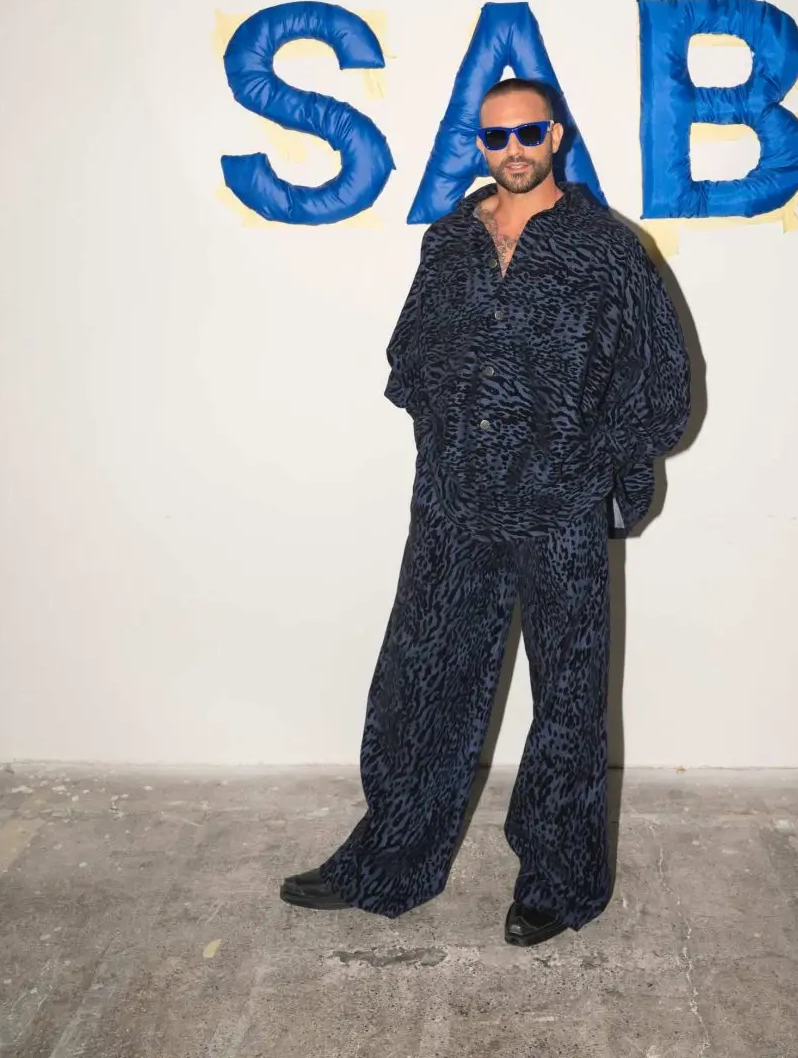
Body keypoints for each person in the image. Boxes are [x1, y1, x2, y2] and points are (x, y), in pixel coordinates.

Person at [280, 77, 691, 946]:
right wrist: (448, 433)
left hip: (559, 506)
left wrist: (597, 465)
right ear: (480, 145)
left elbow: (660, 381)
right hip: (455, 503)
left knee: (569, 701)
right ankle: (387, 861)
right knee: (420, 686)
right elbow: (409, 356)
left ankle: (559, 883)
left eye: (528, 133)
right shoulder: (449, 241)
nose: (513, 150)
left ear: (556, 136)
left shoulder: (609, 250)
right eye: (497, 137)